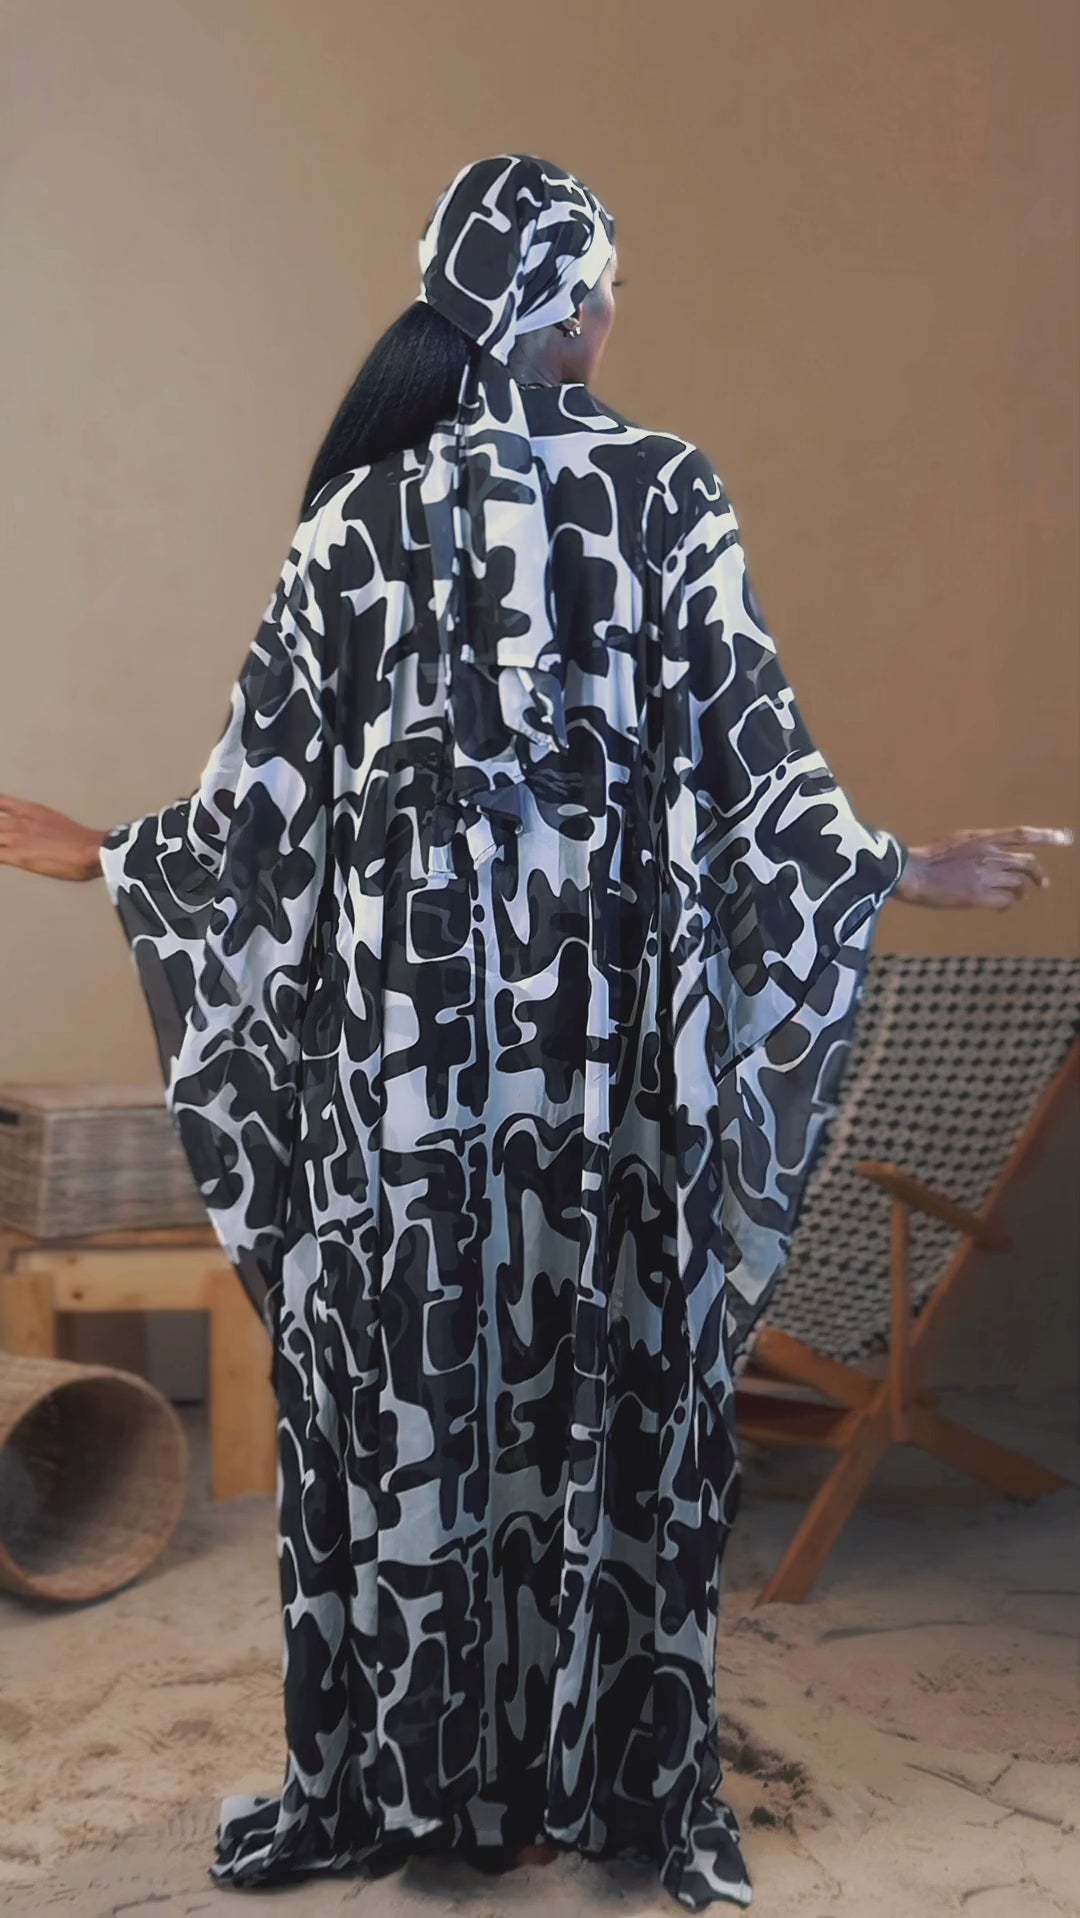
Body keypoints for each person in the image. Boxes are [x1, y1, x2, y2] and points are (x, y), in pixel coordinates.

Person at [0, 155, 1070, 1909]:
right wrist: (902, 867)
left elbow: (257, 816)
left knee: (428, 1377)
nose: (614, 318)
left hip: (403, 1064)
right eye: (607, 289)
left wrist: (107, 854)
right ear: (564, 305)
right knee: (602, 1363)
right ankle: (587, 1774)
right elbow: (755, 767)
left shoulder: (356, 518)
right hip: (612, 1052)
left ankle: (439, 1780)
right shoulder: (667, 494)